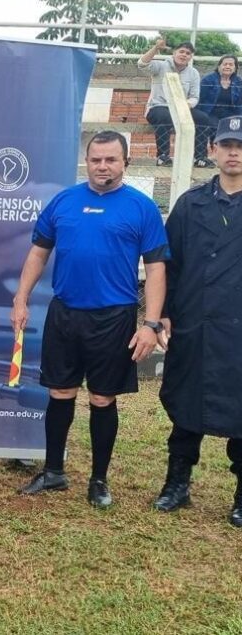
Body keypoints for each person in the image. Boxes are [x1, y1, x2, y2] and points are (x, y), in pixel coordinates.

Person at [11, 131, 168, 508]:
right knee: (60, 391)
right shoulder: (64, 202)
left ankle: (98, 480)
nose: (102, 166)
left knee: (102, 397)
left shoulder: (141, 208)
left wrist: (151, 323)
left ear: (125, 162)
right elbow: (37, 253)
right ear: (88, 161)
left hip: (112, 318)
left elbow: (157, 268)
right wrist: (21, 298)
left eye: (111, 160)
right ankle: (53, 472)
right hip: (65, 312)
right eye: (96, 159)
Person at [154, 116, 242, 528]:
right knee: (187, 407)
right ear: (212, 150)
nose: (233, 152)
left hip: (238, 332)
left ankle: (241, 495)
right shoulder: (191, 204)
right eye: (226, 144)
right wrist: (165, 313)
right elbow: (169, 264)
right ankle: (177, 484)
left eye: (239, 145)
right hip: (195, 326)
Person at [138, 39, 216, 168]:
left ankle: (200, 158)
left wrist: (184, 106)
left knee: (203, 118)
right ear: (174, 53)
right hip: (158, 107)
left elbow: (194, 97)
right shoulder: (161, 66)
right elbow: (142, 64)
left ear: (191, 57)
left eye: (188, 53)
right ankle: (163, 157)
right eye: (181, 51)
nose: (184, 55)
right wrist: (156, 48)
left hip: (183, 108)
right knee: (164, 116)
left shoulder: (194, 73)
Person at [196, 55, 242, 122]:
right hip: (210, 113)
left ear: (235, 68)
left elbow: (239, 104)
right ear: (219, 67)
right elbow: (200, 100)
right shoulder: (208, 80)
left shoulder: (239, 82)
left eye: (231, 65)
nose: (227, 66)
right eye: (225, 64)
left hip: (231, 115)